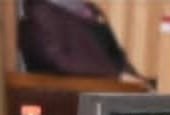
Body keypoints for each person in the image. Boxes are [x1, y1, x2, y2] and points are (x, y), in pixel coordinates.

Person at [19, 0, 149, 84]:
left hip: (109, 90)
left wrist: (137, 80)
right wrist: (117, 76)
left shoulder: (90, 11)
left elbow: (115, 55)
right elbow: (60, 62)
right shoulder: (40, 11)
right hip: (71, 96)